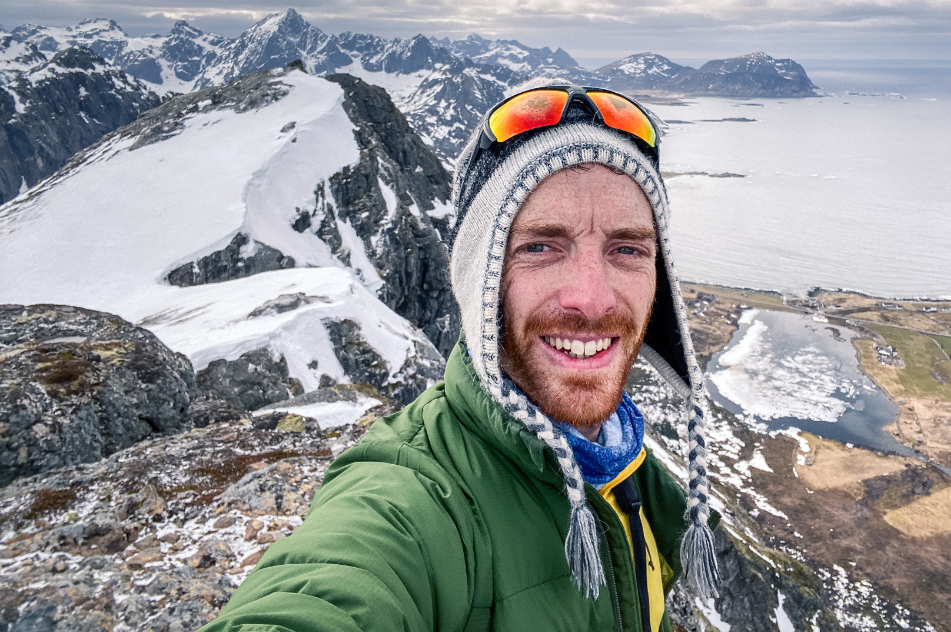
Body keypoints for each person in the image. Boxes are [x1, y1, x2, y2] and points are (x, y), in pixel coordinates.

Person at [199, 85, 718, 632]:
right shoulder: (416, 497)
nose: (591, 298)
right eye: (540, 246)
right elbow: (331, 592)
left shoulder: (625, 463)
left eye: (628, 248)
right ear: (482, 280)